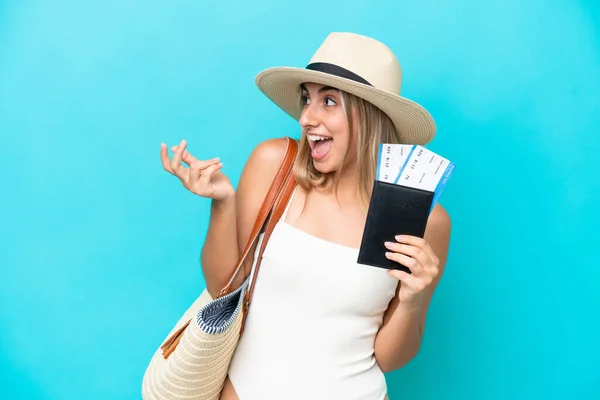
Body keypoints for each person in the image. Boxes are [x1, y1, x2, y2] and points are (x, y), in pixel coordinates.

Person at [159, 32, 451, 400]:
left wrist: (413, 300)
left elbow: (389, 358)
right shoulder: (275, 166)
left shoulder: (423, 218)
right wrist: (222, 203)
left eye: (328, 101)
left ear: (370, 114)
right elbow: (224, 289)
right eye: (306, 98)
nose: (307, 117)